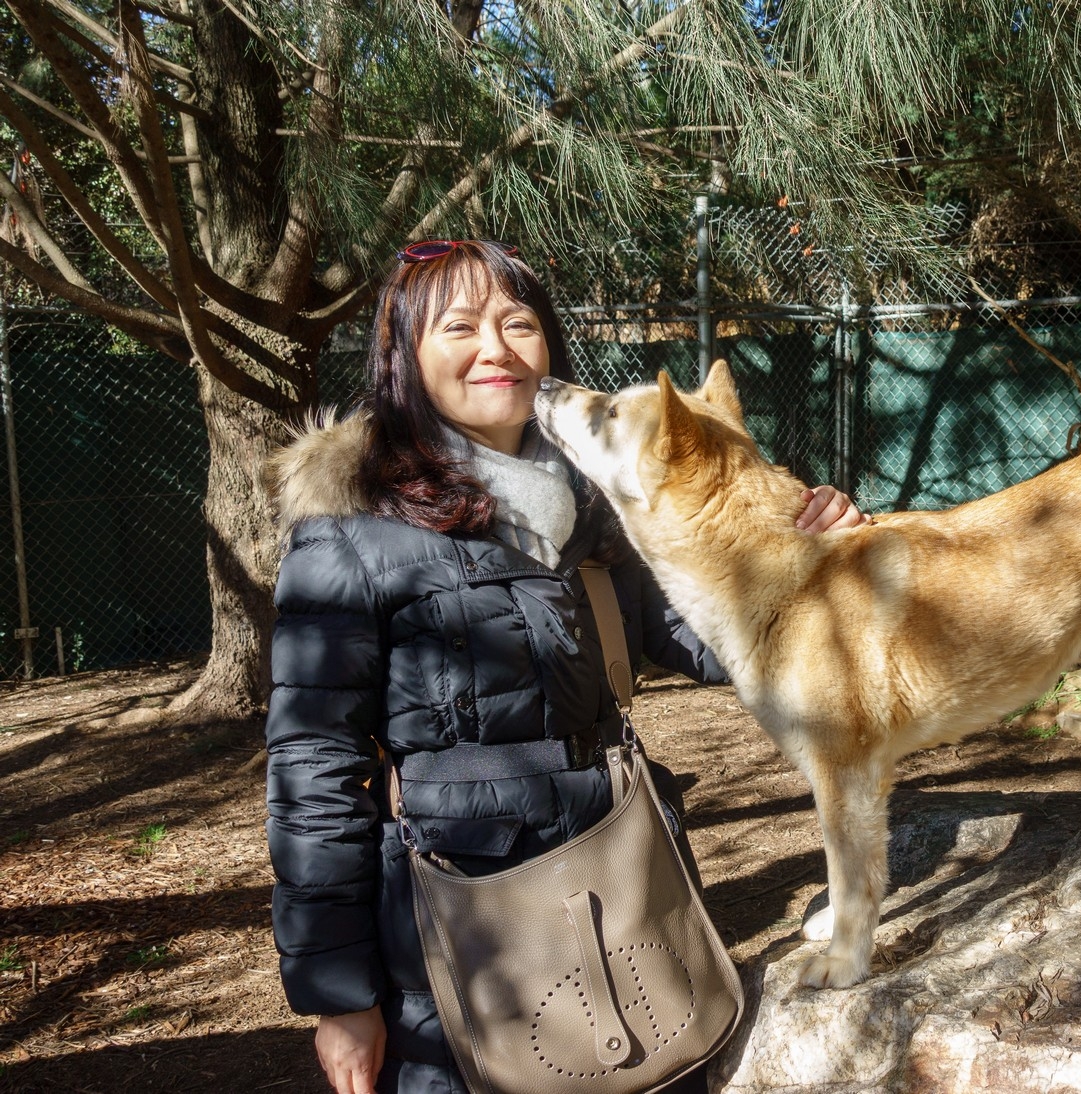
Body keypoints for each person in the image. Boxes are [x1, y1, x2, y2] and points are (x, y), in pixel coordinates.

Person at [263, 239, 867, 1094]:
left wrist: (810, 560)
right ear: (403, 355)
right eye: (460, 327)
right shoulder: (350, 533)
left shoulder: (600, 507)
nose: (496, 348)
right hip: (461, 930)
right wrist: (338, 995)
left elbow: (710, 640)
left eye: (519, 323)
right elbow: (312, 770)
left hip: (627, 885)